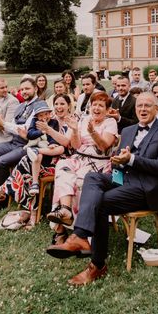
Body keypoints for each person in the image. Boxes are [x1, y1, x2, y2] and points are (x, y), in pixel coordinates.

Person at [46, 92, 158, 286]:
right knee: (92, 177)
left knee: (101, 203)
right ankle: (81, 236)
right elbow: (117, 162)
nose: (142, 109)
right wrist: (118, 162)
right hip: (124, 179)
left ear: (157, 109)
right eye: (139, 105)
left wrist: (131, 159)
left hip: (148, 187)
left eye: (147, 106)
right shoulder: (129, 130)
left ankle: (97, 264)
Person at [0, 99, 72, 228]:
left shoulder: (71, 121)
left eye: (62, 103)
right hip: (42, 157)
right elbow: (34, 135)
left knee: (28, 163)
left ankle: (3, 191)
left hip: (61, 160)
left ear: (69, 106)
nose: (59, 106)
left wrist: (46, 134)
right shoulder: (49, 119)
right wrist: (26, 136)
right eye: (56, 104)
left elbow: (65, 145)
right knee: (27, 163)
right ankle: (32, 212)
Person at [45, 91, 118, 242]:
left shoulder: (110, 122)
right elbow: (76, 145)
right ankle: (65, 210)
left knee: (78, 181)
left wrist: (92, 132)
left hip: (99, 162)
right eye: (94, 105)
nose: (96, 108)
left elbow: (104, 146)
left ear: (108, 109)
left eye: (100, 105)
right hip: (80, 157)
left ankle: (80, 233)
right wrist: (74, 130)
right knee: (62, 166)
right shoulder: (84, 120)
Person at [0, 77, 43, 212]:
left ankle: (2, 198)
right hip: (13, 141)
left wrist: (3, 123)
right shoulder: (22, 106)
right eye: (22, 89)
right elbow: (8, 125)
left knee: (1, 162)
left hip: (28, 145)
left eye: (27, 89)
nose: (24, 92)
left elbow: (25, 129)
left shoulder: (39, 106)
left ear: (35, 89)